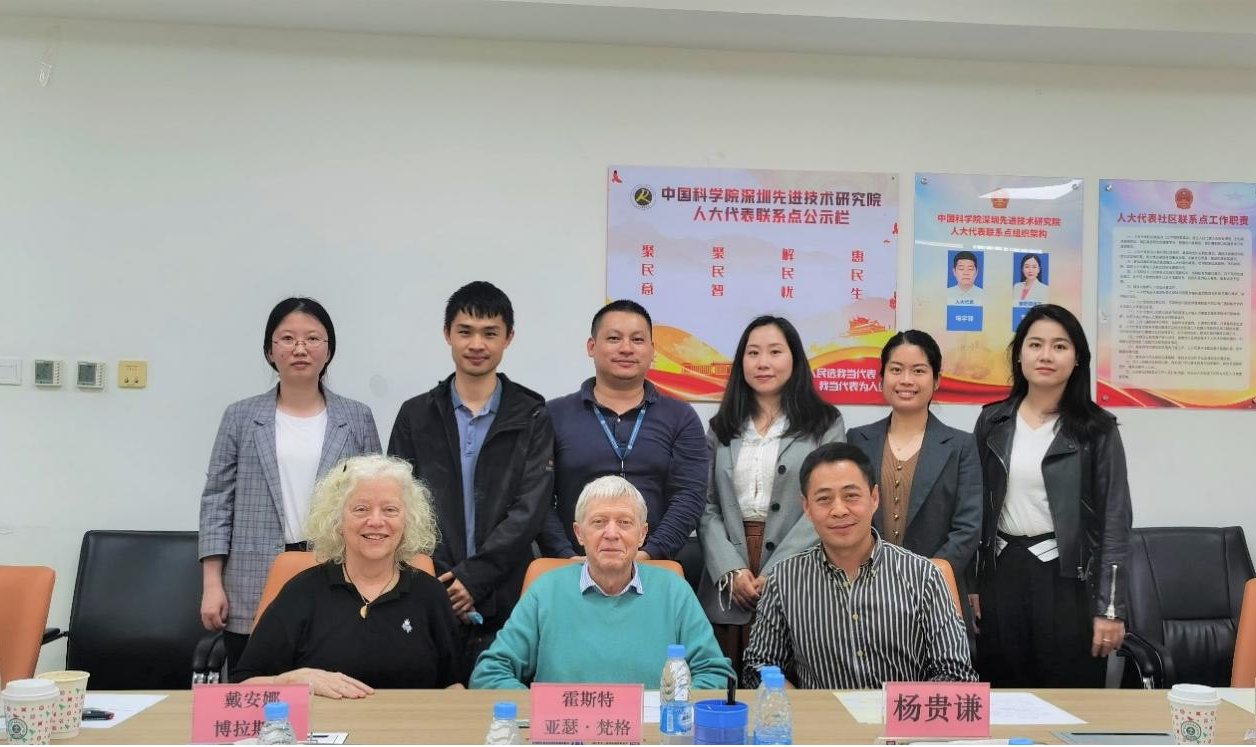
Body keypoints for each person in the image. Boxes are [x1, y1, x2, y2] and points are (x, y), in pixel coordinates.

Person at [199, 297, 381, 670]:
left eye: (312, 338)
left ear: (328, 350)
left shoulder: (357, 417)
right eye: (287, 339)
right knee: (253, 681)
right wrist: (212, 584)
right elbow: (217, 501)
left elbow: (375, 500)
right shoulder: (240, 417)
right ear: (270, 351)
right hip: (252, 575)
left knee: (332, 680)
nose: (300, 348)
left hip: (336, 570)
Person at [388, 281, 554, 668]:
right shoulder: (416, 415)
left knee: (502, 695)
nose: (476, 344)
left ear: (508, 338)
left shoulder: (532, 413)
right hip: (429, 589)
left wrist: (474, 579)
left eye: (490, 333)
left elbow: (530, 508)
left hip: (507, 591)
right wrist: (446, 581)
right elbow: (400, 503)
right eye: (465, 331)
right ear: (447, 334)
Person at [973, 303, 1132, 687]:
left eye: (1059, 346)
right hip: (1002, 574)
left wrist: (1110, 608)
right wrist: (972, 585)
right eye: (1035, 344)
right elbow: (974, 508)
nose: (1046, 355)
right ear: (1019, 355)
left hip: (1068, 580)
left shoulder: (1098, 429)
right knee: (1003, 693)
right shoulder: (992, 421)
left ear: (1077, 359)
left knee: (1068, 695)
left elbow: (1115, 521)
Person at [742, 443, 976, 689]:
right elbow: (758, 666)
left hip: (902, 713)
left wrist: (899, 709)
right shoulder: (784, 580)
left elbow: (956, 673)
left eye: (851, 496)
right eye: (824, 499)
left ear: (874, 498)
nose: (839, 510)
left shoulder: (923, 576)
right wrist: (794, 702)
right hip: (823, 714)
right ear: (807, 508)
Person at [471, 476, 735, 689]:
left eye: (624, 523)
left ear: (642, 534)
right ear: (579, 533)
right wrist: (542, 712)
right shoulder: (545, 590)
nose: (611, 534)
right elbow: (490, 673)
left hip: (652, 731)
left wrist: (671, 712)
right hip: (565, 732)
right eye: (598, 522)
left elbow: (715, 673)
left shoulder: (674, 591)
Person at [232, 454, 463, 695]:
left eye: (390, 510)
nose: (376, 521)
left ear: (407, 521)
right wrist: (290, 681)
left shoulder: (431, 594)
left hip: (411, 720)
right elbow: (241, 686)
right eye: (361, 509)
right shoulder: (300, 593)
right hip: (323, 720)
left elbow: (454, 684)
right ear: (337, 521)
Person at [698, 315, 845, 676]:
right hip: (730, 571)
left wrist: (780, 571)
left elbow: (827, 503)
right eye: (753, 353)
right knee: (726, 682)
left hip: (800, 568)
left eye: (775, 352)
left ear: (794, 359)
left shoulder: (825, 423)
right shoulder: (721, 427)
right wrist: (730, 570)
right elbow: (705, 505)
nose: (763, 362)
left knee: (790, 682)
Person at [538, 300, 707, 562]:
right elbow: (537, 497)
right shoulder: (553, 415)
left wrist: (650, 554)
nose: (626, 348)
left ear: (652, 350)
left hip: (652, 566)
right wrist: (565, 555)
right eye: (614, 338)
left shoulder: (681, 417)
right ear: (591, 347)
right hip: (572, 565)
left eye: (637, 340)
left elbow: (689, 496)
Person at [847, 330, 981, 628]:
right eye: (896, 370)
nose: (906, 380)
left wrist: (927, 577)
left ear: (936, 380)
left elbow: (968, 527)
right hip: (865, 592)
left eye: (918, 371)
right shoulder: (857, 440)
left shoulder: (961, 445)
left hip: (936, 594)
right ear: (881, 377)